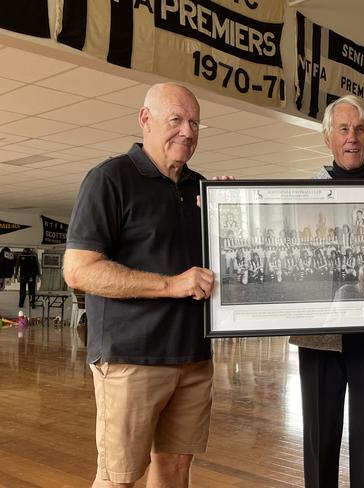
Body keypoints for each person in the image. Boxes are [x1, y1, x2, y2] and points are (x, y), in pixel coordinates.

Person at [63, 83, 220, 488]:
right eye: (176, 120)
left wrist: (229, 213)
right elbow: (79, 271)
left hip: (193, 355)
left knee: (175, 466)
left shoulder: (201, 189)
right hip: (130, 357)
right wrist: (170, 285)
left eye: (195, 123)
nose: (187, 131)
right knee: (120, 478)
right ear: (144, 119)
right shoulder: (109, 179)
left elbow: (221, 272)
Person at [289, 94, 364, 488]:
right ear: (328, 138)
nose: (352, 137)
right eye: (343, 129)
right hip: (320, 336)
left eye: (360, 129)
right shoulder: (302, 194)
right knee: (319, 437)